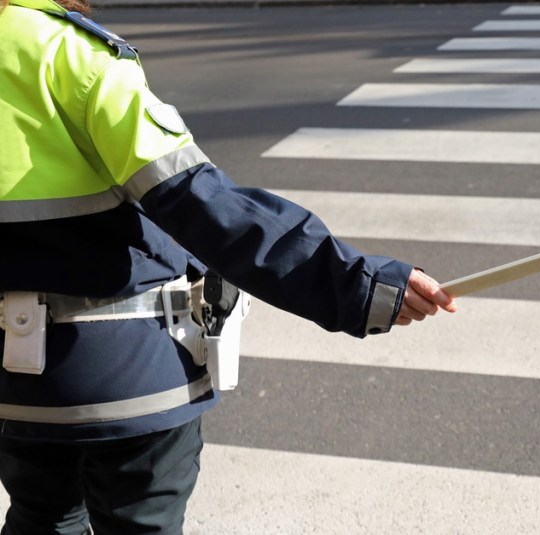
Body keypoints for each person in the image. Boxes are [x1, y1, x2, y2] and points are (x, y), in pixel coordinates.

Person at [0, 0, 458, 532]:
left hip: (15, 386)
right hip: (127, 378)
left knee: (41, 518)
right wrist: (359, 286)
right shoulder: (65, 52)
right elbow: (201, 204)